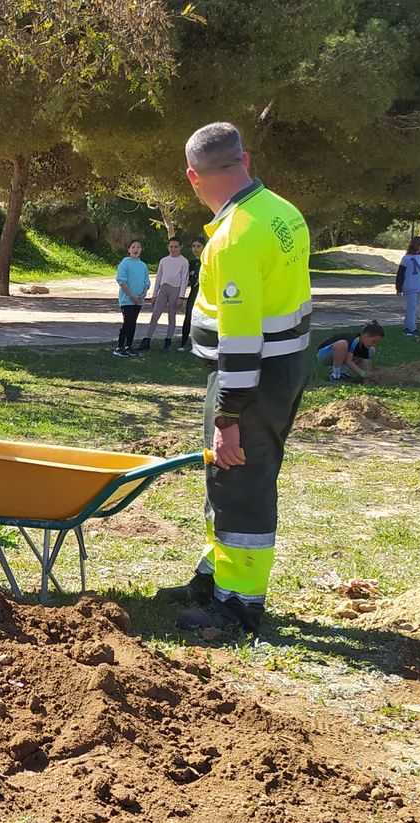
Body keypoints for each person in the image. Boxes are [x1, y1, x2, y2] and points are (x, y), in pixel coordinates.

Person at [158, 122, 312, 639]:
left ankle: (239, 606)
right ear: (243, 159)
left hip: (250, 379)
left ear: (192, 177)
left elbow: (242, 339)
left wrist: (228, 415)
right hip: (283, 367)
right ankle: (214, 575)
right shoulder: (282, 212)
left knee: (239, 481)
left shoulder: (235, 237)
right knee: (223, 480)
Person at [139, 237, 189, 352]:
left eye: (176, 247)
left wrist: (181, 296)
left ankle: (168, 341)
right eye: (171, 247)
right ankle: (147, 340)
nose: (173, 249)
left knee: (172, 316)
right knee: (155, 315)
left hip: (175, 289)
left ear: (180, 247)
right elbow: (158, 278)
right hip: (163, 288)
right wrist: (154, 294)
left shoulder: (183, 261)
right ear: (168, 247)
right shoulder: (164, 260)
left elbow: (184, 280)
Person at [113, 239, 149, 357]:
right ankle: (119, 347)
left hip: (138, 301)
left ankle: (129, 346)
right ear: (128, 250)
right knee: (127, 322)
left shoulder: (143, 265)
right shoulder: (125, 263)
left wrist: (143, 294)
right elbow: (121, 281)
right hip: (127, 300)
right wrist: (131, 296)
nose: (136, 249)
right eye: (133, 247)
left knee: (133, 323)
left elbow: (146, 282)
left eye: (138, 247)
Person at [316, 321, 384, 382]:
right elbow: (348, 361)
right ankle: (335, 375)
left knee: (371, 351)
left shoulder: (364, 345)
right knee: (342, 344)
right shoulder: (355, 340)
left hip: (339, 354)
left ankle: (343, 373)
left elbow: (366, 360)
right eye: (373, 341)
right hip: (324, 354)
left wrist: (367, 376)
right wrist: (362, 373)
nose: (374, 344)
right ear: (366, 336)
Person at [178, 238, 204, 351]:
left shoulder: (208, 262)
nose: (196, 249)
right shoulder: (191, 263)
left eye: (198, 246)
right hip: (193, 294)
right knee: (188, 316)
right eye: (194, 246)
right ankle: (184, 343)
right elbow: (186, 280)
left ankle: (202, 343)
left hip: (205, 295)